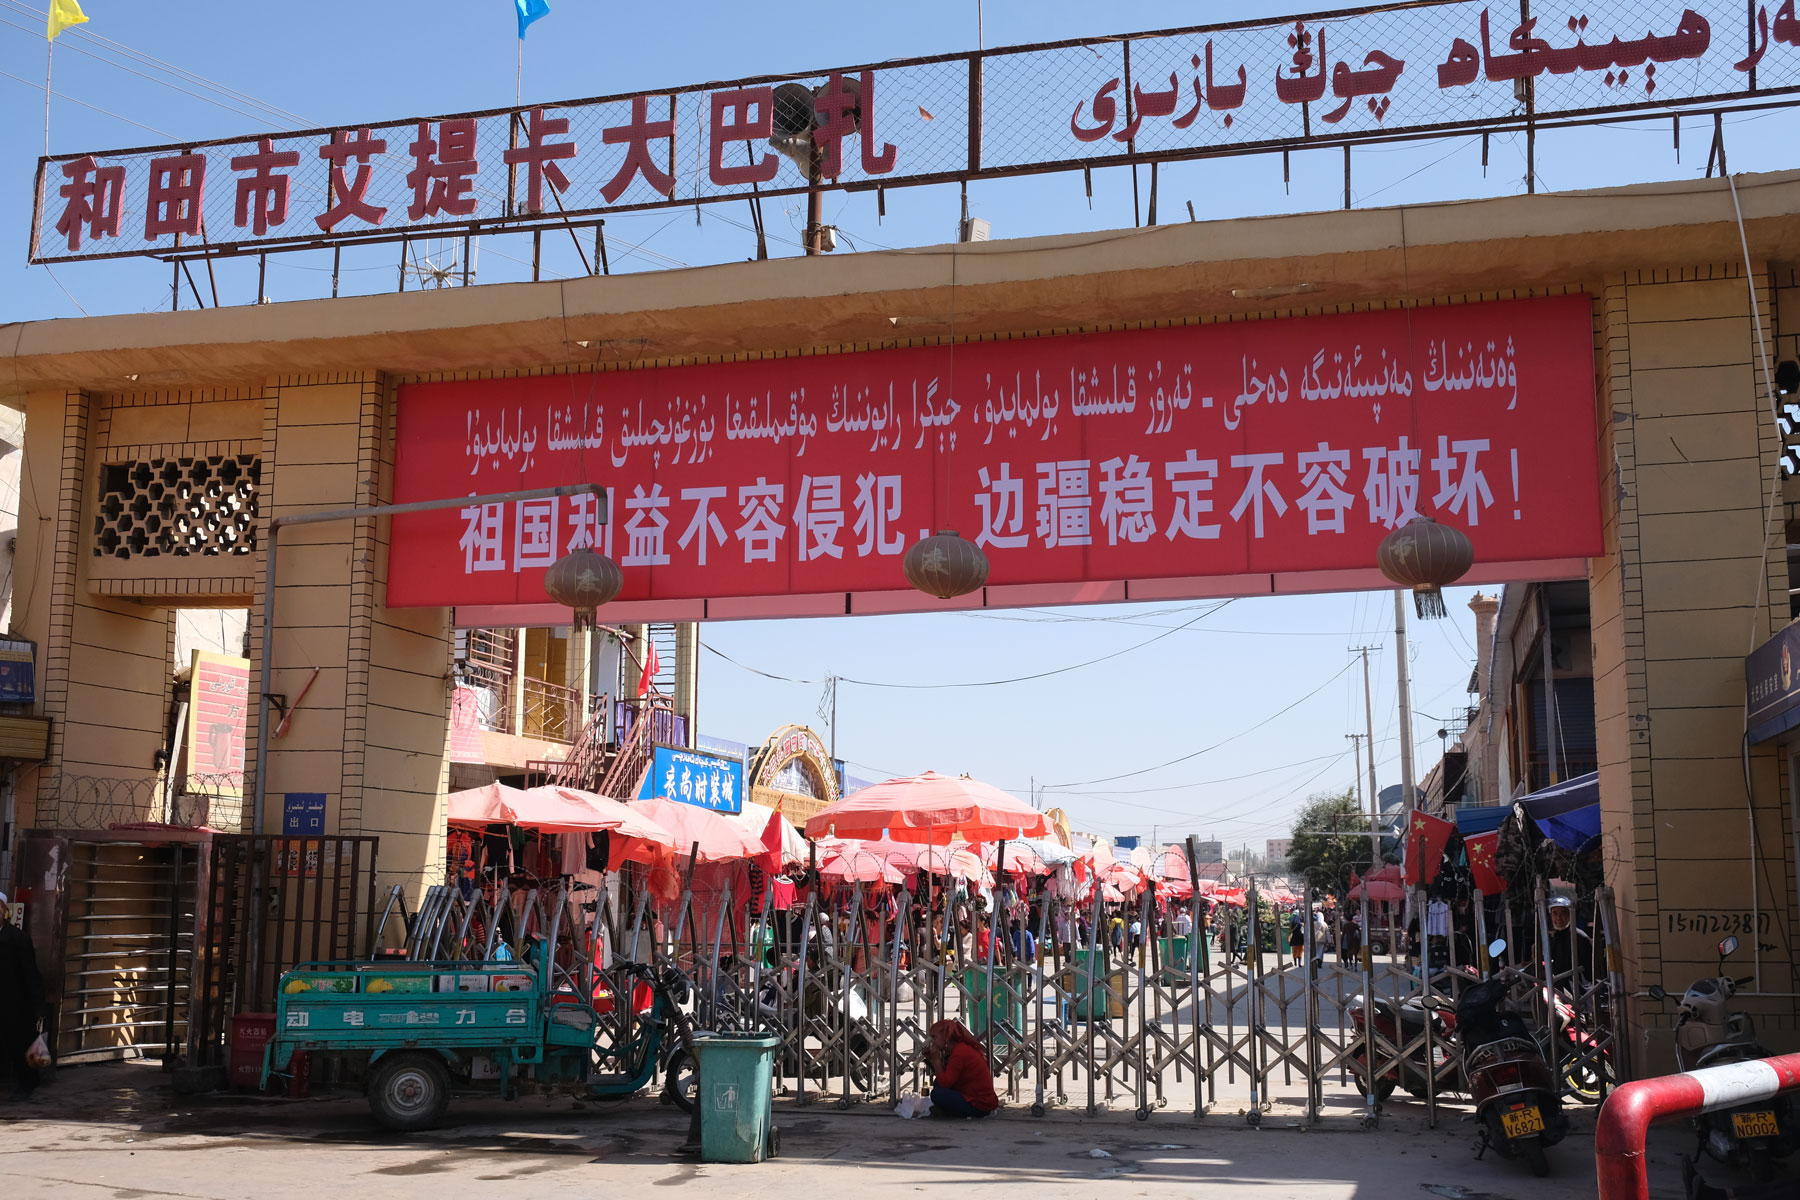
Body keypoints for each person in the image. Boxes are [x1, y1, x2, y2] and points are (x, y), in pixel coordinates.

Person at [0, 895, 44, 1101]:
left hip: (14, 1003)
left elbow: (31, 974)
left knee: (17, 1045)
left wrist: (38, 1008)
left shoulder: (17, 938)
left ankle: (27, 1084)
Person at [925, 1019, 998, 1119]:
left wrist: (936, 1061)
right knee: (938, 1083)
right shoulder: (959, 1049)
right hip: (977, 1098)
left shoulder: (959, 1052)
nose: (932, 1042)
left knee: (937, 1094)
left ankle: (953, 1112)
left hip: (980, 1105)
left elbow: (946, 1082)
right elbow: (945, 1077)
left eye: (934, 1037)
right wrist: (931, 1059)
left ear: (945, 1037)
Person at [1546, 896, 1593, 987]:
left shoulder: (1579, 937)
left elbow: (1590, 971)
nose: (1558, 918)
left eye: (1563, 913)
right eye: (1555, 913)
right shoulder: (1556, 936)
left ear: (1570, 914)